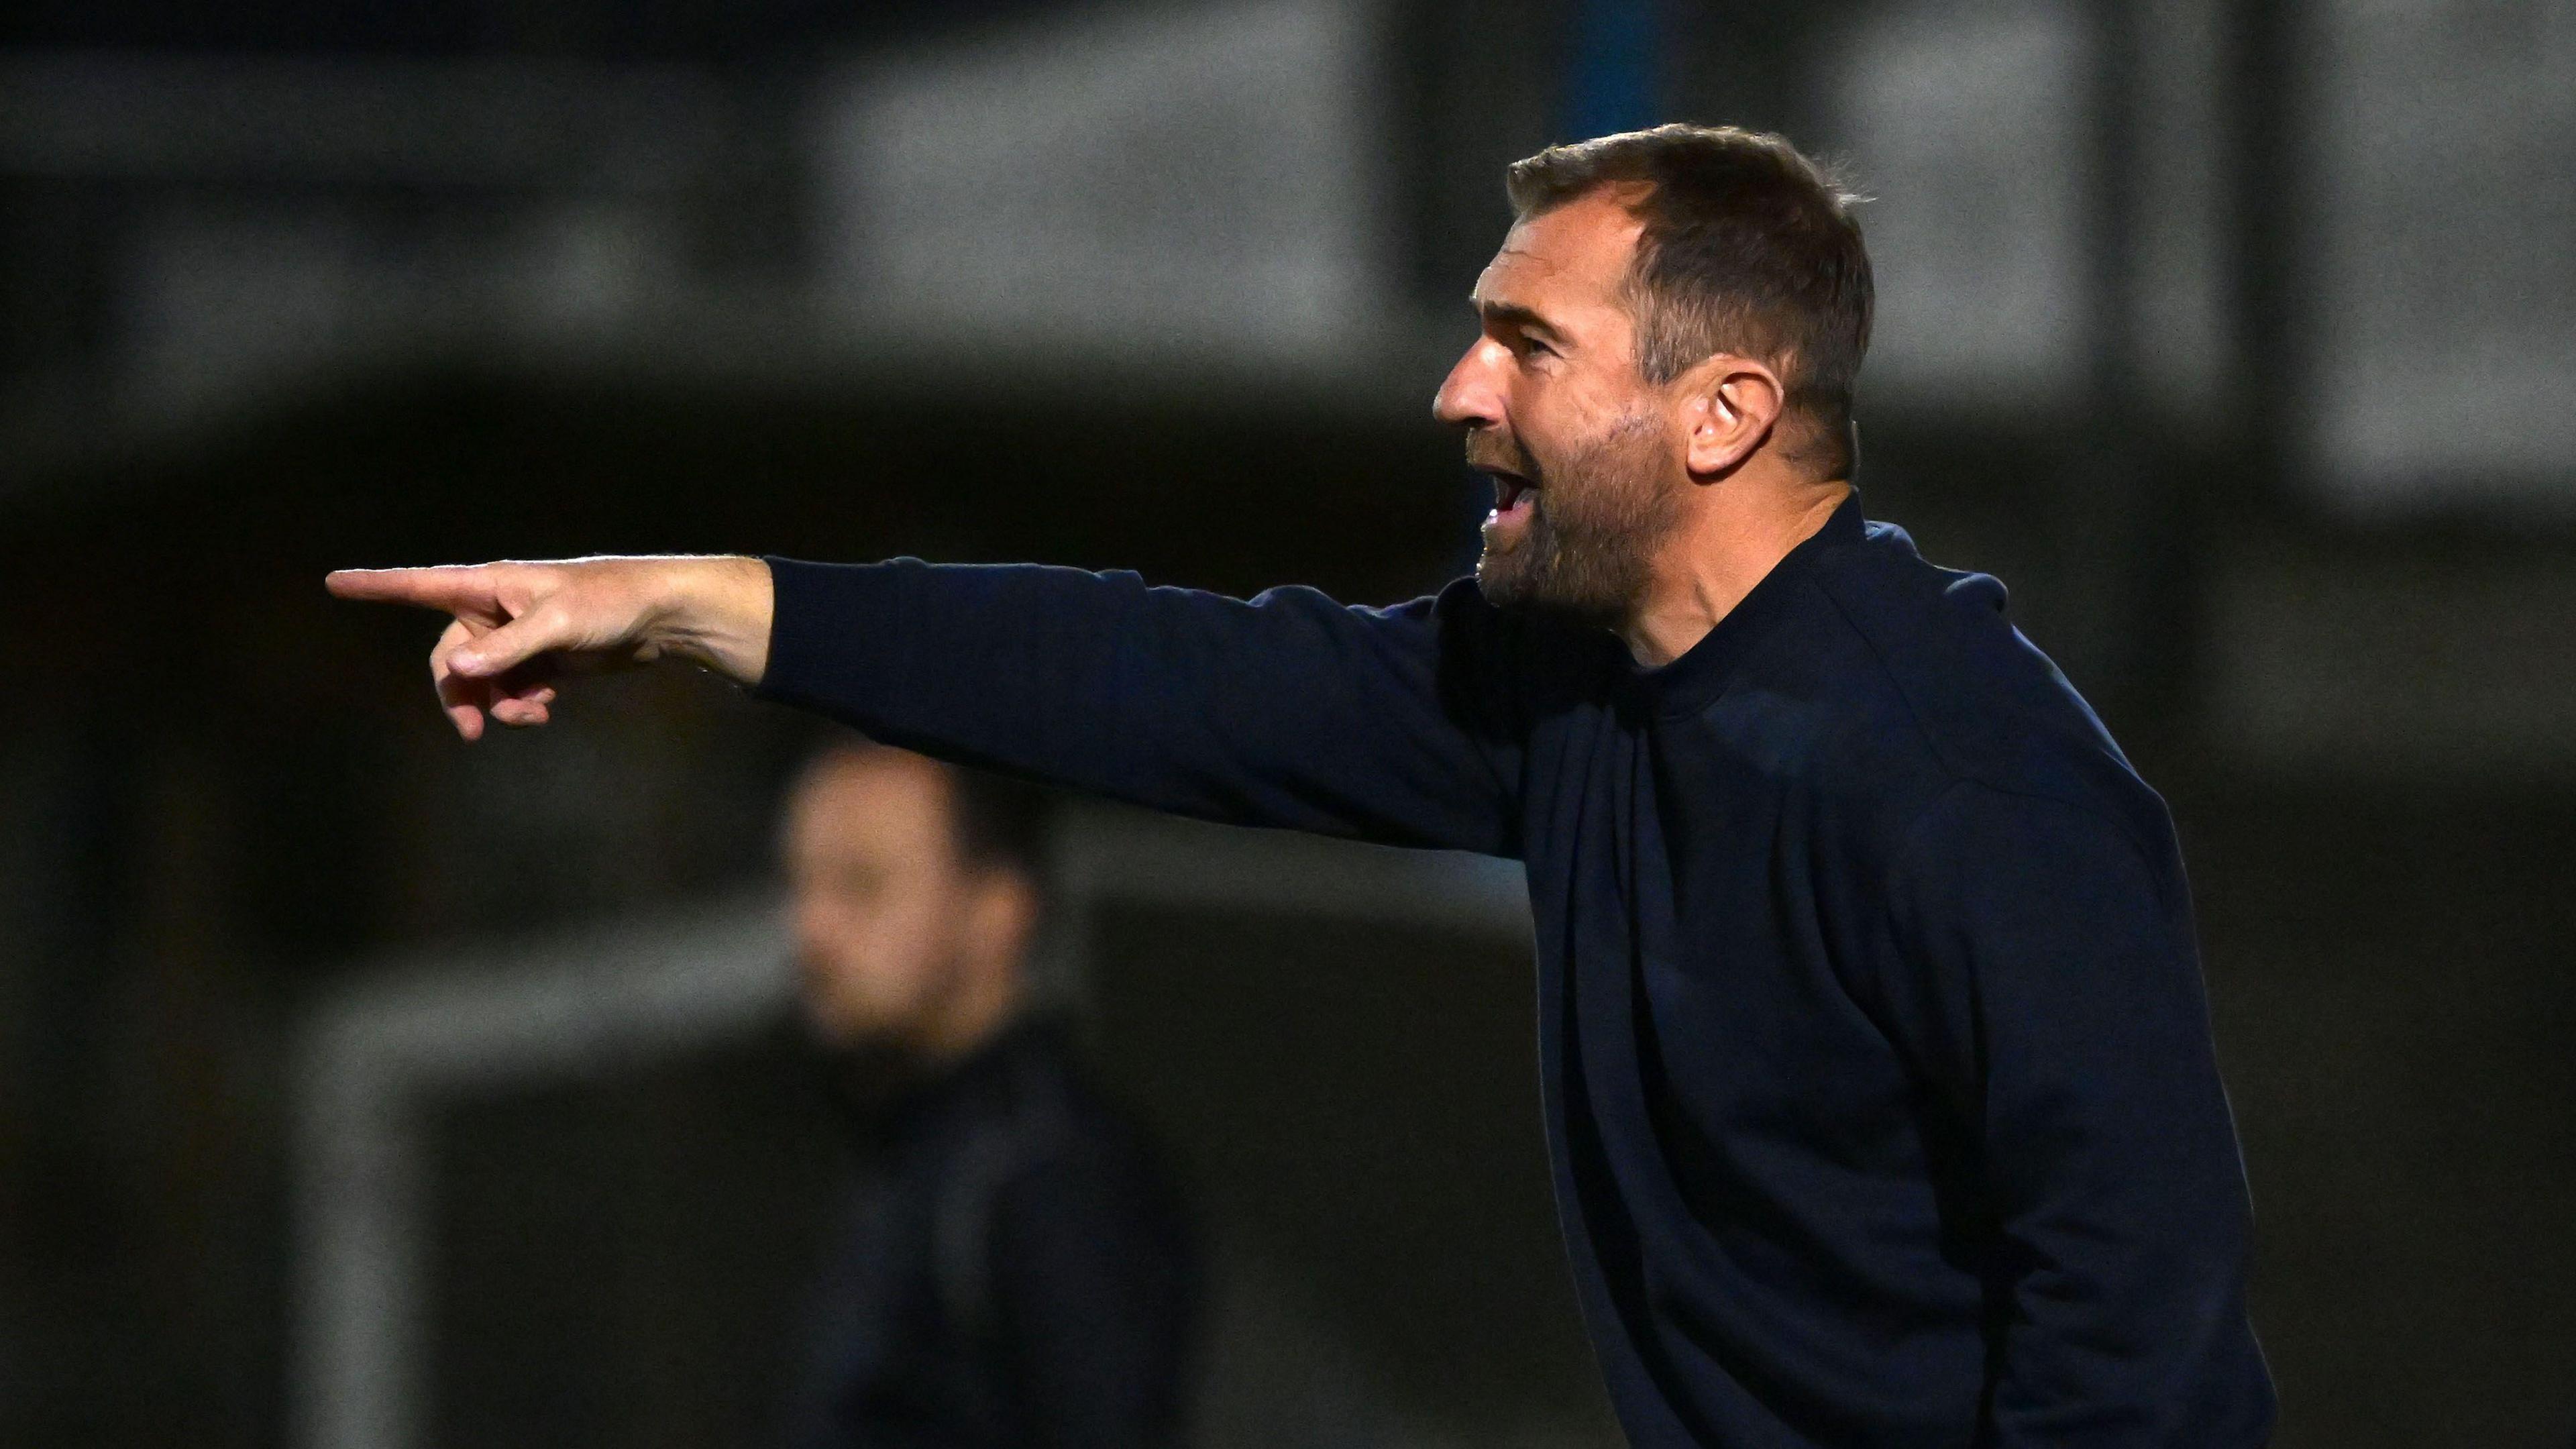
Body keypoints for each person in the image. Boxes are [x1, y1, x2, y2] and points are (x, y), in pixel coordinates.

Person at [330, 125, 2277, 1447]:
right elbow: (1155, 675)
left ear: (1724, 411)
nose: (1457, 390)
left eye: (1525, 341)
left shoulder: (1964, 775)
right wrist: (687, 601)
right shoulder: (1566, 691)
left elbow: (2143, 1326)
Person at [778, 737, 1197, 1449]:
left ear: (999, 909)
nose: (812, 929)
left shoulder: (1047, 1174)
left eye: (863, 885)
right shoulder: (924, 1143)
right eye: (800, 883)